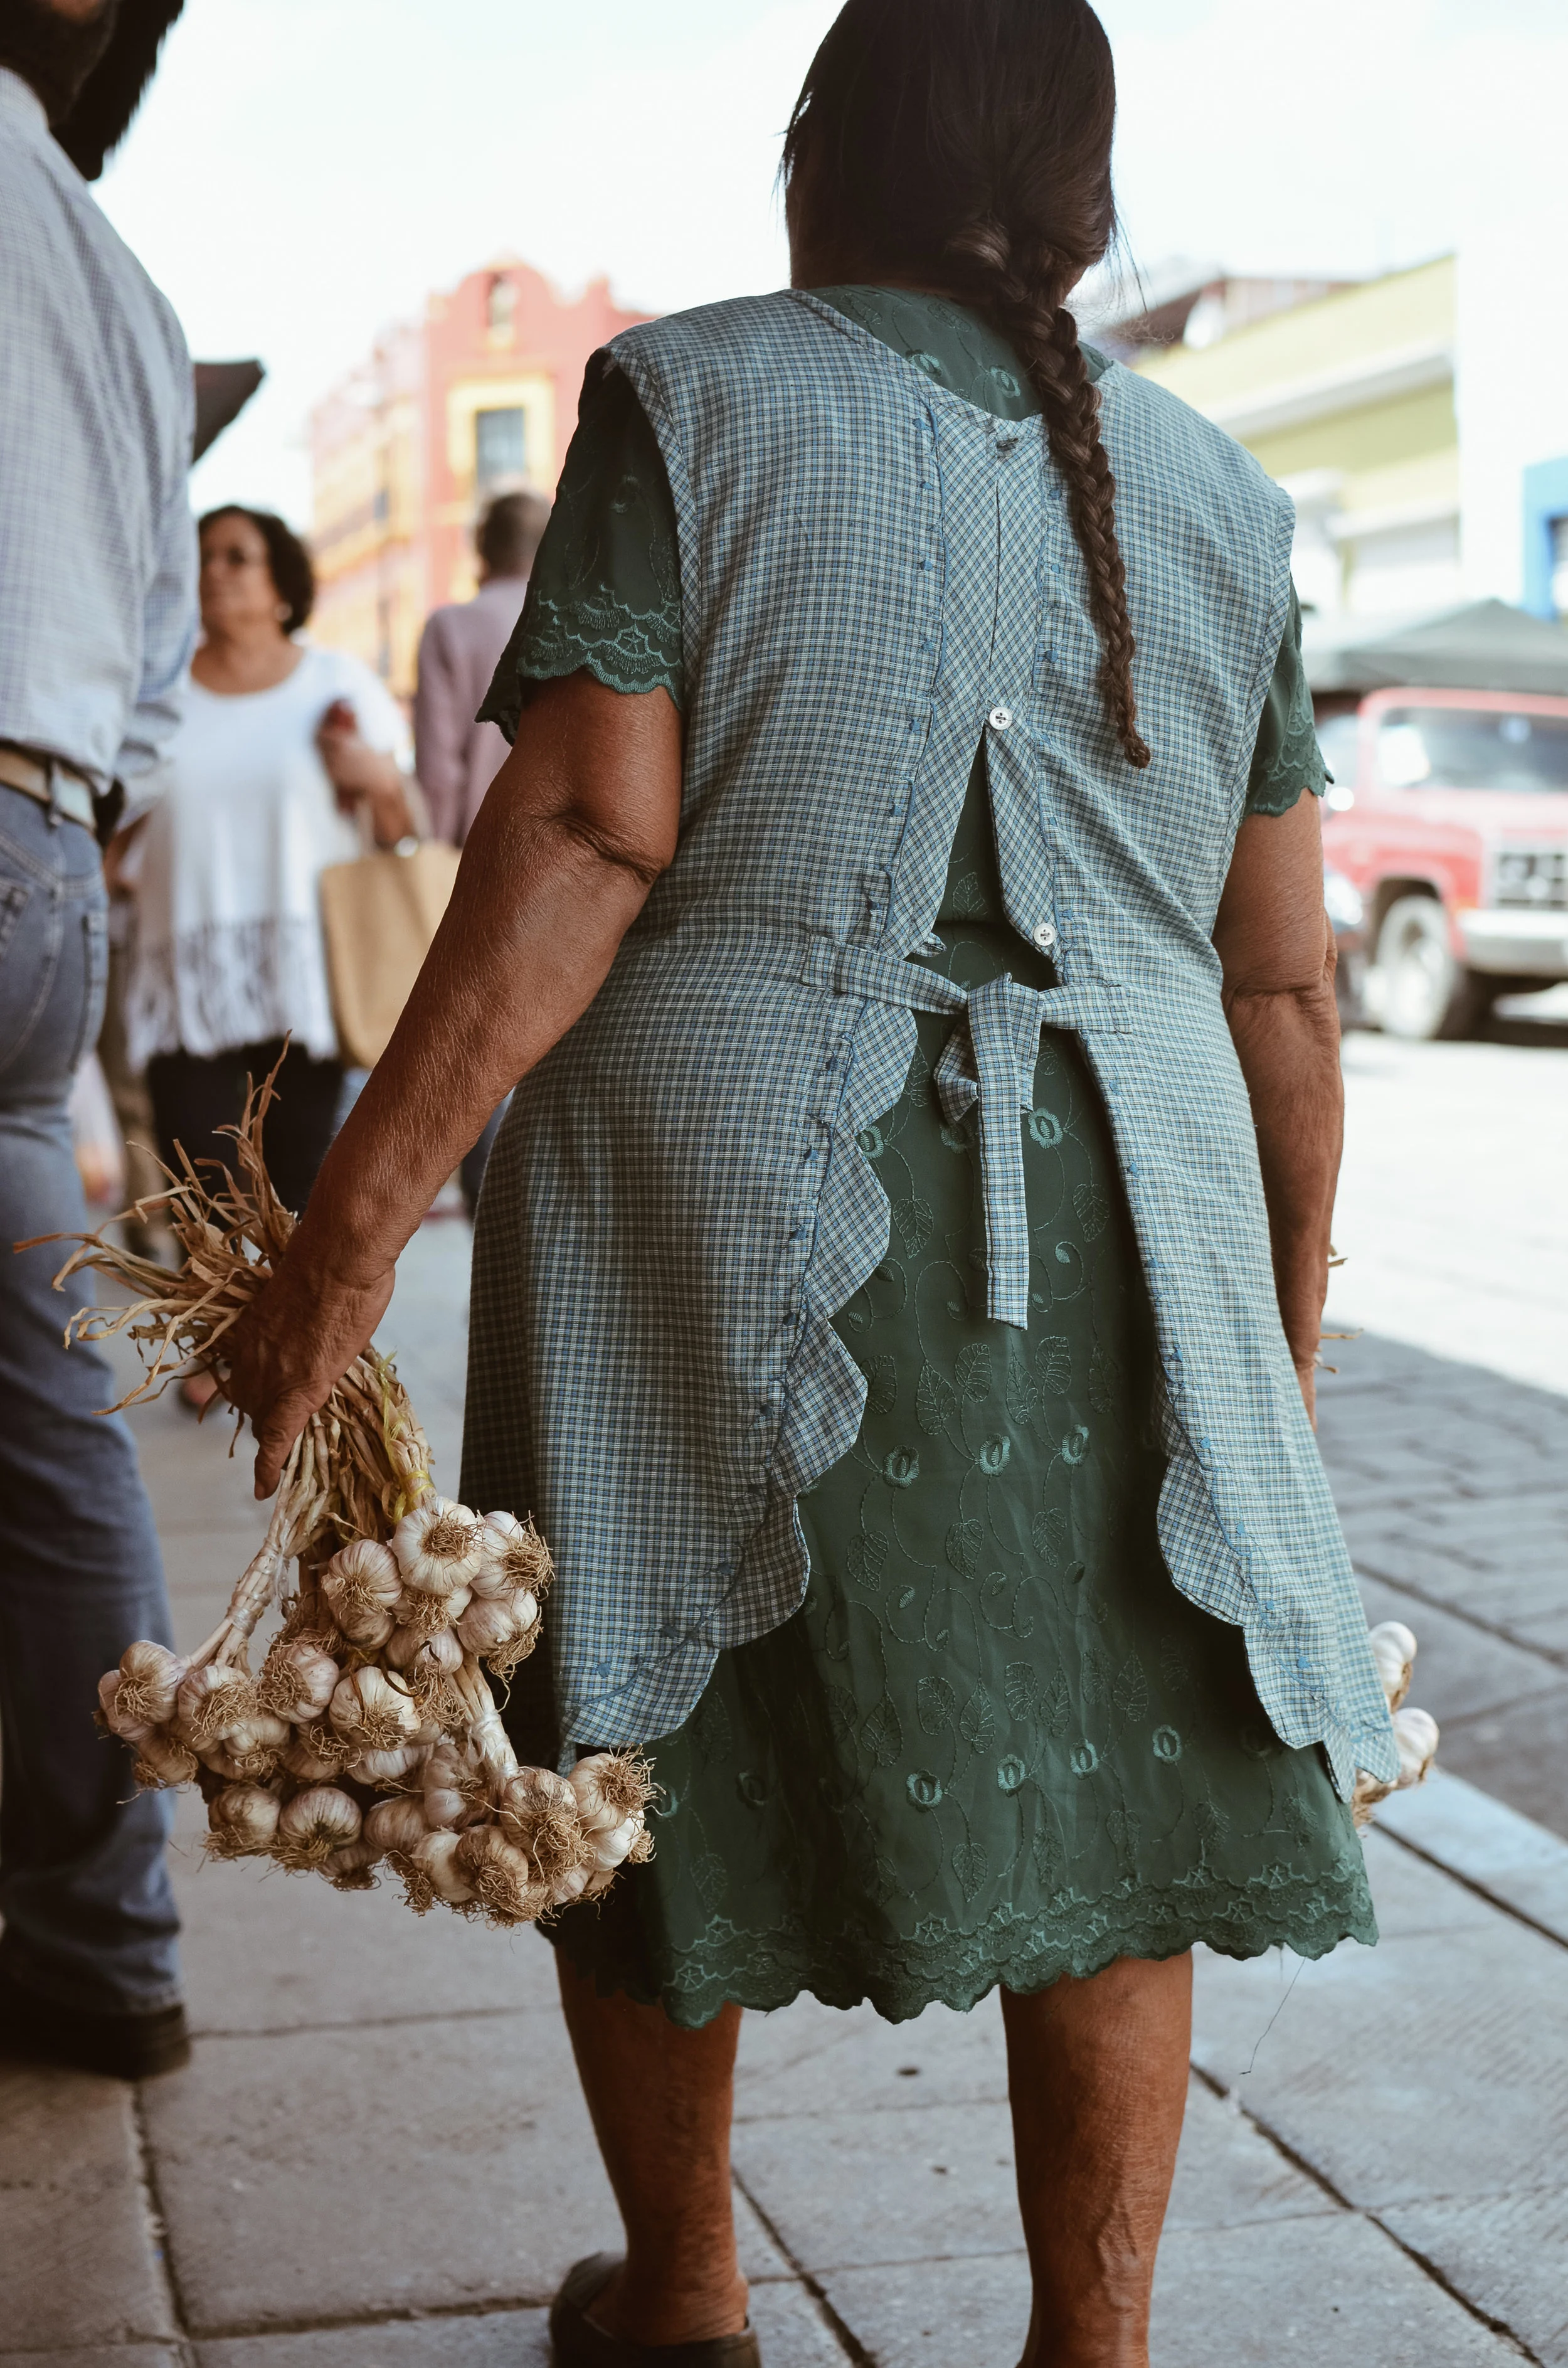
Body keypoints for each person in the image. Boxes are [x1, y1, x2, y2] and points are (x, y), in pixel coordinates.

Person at [220, 2, 1399, 2358]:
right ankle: (1094, 2334)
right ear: (1079, 194)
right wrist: (1273, 1326)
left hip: (729, 1221)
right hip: (1130, 1224)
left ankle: (677, 2300)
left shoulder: (697, 398)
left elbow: (575, 823)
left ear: (821, 161)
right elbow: (1281, 991)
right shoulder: (1213, 492)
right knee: (1129, 1777)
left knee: (660, 1735)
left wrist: (342, 1234)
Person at [0, 0, 195, 2080]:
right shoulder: (130, 296)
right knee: (50, 1423)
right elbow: (143, 680)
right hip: (42, 850)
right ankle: (107, 1933)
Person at [118, 506, 416, 1278]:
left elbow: (403, 821)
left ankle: (296, 1382)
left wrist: (377, 776)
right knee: (207, 1207)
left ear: (282, 586)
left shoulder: (334, 682)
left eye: (235, 556)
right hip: (188, 983)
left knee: (296, 1207)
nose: (213, 570)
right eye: (202, 557)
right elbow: (115, 832)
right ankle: (222, 1366)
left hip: (306, 983)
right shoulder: (156, 696)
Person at [414, 487, 549, 1213]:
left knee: (481, 1046)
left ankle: (488, 1207)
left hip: (481, 862)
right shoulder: (569, 615)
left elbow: (439, 770)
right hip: (571, 863)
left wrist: (436, 850)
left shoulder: (451, 627)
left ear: (479, 548)